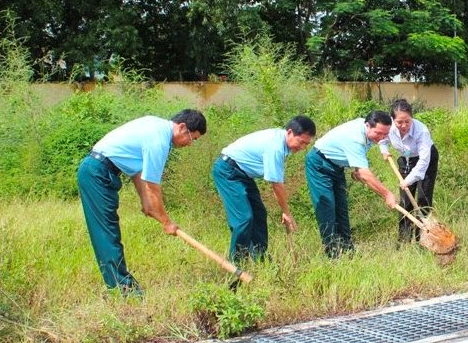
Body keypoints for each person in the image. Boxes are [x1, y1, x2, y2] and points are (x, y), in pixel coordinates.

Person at [77, 109, 207, 296]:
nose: (191, 144)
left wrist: (146, 203)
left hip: (99, 171)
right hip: (96, 173)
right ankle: (124, 291)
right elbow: (153, 186)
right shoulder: (159, 139)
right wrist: (166, 222)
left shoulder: (156, 128)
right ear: (182, 127)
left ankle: (121, 286)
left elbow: (139, 172)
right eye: (192, 138)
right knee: (107, 233)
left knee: (109, 232)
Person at [212, 116, 316, 264]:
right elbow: (277, 185)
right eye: (301, 142)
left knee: (259, 214)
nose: (302, 147)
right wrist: (286, 213)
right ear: (290, 132)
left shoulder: (281, 140)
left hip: (243, 174)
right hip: (228, 172)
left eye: (306, 144)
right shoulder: (275, 147)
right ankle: (236, 265)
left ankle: (260, 259)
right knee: (243, 219)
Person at [305, 111, 398, 257]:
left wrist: (357, 170)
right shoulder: (355, 137)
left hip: (337, 167)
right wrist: (387, 194)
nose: (381, 138)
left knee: (341, 209)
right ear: (367, 125)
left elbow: (358, 160)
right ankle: (333, 254)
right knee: (327, 208)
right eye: (378, 133)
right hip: (320, 164)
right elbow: (366, 173)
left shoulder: (366, 130)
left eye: (385, 135)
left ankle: (347, 251)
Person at [379, 99, 439, 243]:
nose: (404, 125)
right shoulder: (390, 127)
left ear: (412, 117)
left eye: (407, 121)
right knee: (405, 201)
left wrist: (409, 180)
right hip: (406, 161)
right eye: (400, 122)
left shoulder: (421, 131)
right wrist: (384, 151)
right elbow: (382, 138)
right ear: (393, 120)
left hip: (426, 161)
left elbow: (424, 162)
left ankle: (422, 240)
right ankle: (404, 239)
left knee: (423, 199)